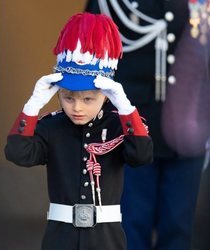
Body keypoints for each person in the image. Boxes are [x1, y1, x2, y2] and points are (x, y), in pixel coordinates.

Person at [4, 12, 153, 250]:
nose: (77, 107)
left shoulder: (118, 126)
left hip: (107, 239)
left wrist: (126, 108)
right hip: (60, 238)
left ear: (106, 95)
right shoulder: (52, 126)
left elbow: (142, 155)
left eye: (88, 98)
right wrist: (32, 106)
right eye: (68, 97)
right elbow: (17, 153)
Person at [85, 1, 205, 250]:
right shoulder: (113, 4)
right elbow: (92, 58)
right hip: (132, 128)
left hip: (189, 127)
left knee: (179, 228)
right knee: (132, 226)